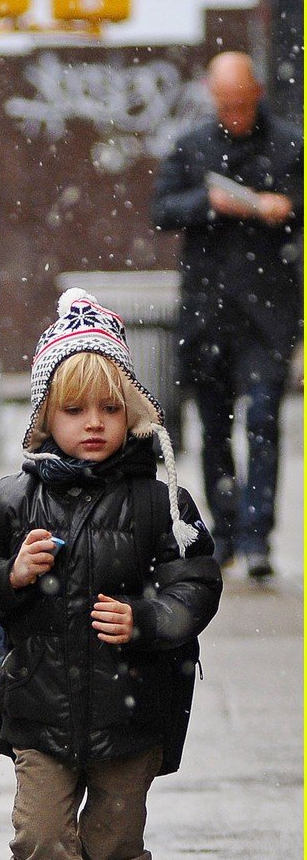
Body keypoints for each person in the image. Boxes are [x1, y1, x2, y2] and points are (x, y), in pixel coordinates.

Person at [0, 290, 222, 860]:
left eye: (107, 407)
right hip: (39, 711)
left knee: (117, 851)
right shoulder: (16, 498)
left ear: (130, 410)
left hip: (131, 715)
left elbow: (196, 582)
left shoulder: (161, 500)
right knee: (37, 844)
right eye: (73, 411)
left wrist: (148, 620)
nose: (92, 424)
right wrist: (9, 575)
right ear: (43, 420)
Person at [151, 50, 302, 580]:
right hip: (208, 312)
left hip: (269, 314)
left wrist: (285, 207)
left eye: (242, 103)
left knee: (263, 421)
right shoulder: (193, 146)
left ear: (256, 93)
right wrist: (212, 202)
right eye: (226, 104)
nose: (235, 113)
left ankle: (258, 538)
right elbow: (161, 210)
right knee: (214, 426)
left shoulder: (289, 144)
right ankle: (228, 532)